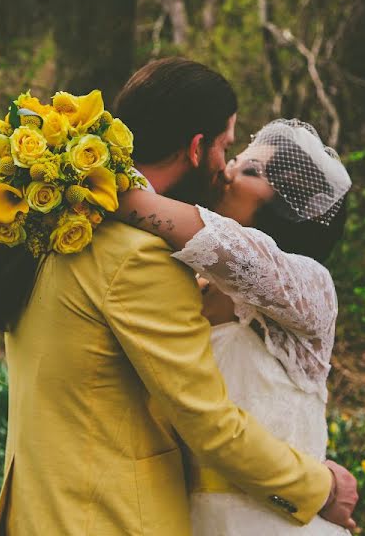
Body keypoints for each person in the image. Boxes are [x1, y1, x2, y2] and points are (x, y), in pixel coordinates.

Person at [0, 58, 358, 535]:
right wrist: (320, 488)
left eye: (247, 164)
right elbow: (209, 424)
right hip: (109, 519)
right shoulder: (140, 259)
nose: (228, 169)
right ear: (198, 148)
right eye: (227, 149)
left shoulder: (58, 229)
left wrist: (85, 186)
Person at [114, 117, 352, 535]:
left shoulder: (310, 286)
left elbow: (232, 249)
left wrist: (105, 189)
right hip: (185, 519)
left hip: (276, 521)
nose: (226, 170)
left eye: (251, 170)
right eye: (236, 157)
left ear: (290, 207)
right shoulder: (179, 283)